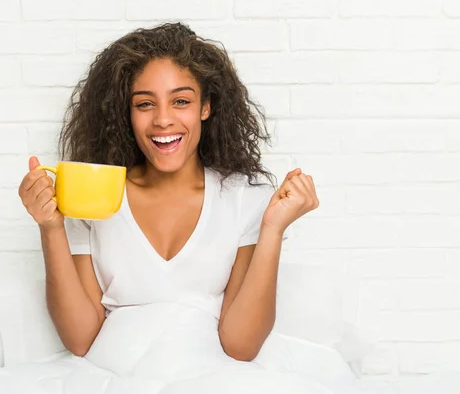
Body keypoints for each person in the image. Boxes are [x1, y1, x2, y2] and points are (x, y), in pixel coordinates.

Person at [18, 22, 320, 389]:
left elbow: (241, 345)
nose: (163, 119)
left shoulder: (244, 198)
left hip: (206, 379)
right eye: (145, 104)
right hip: (108, 378)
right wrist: (50, 228)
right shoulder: (94, 199)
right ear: (126, 114)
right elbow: (81, 339)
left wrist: (273, 229)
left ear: (205, 107)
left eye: (181, 101)